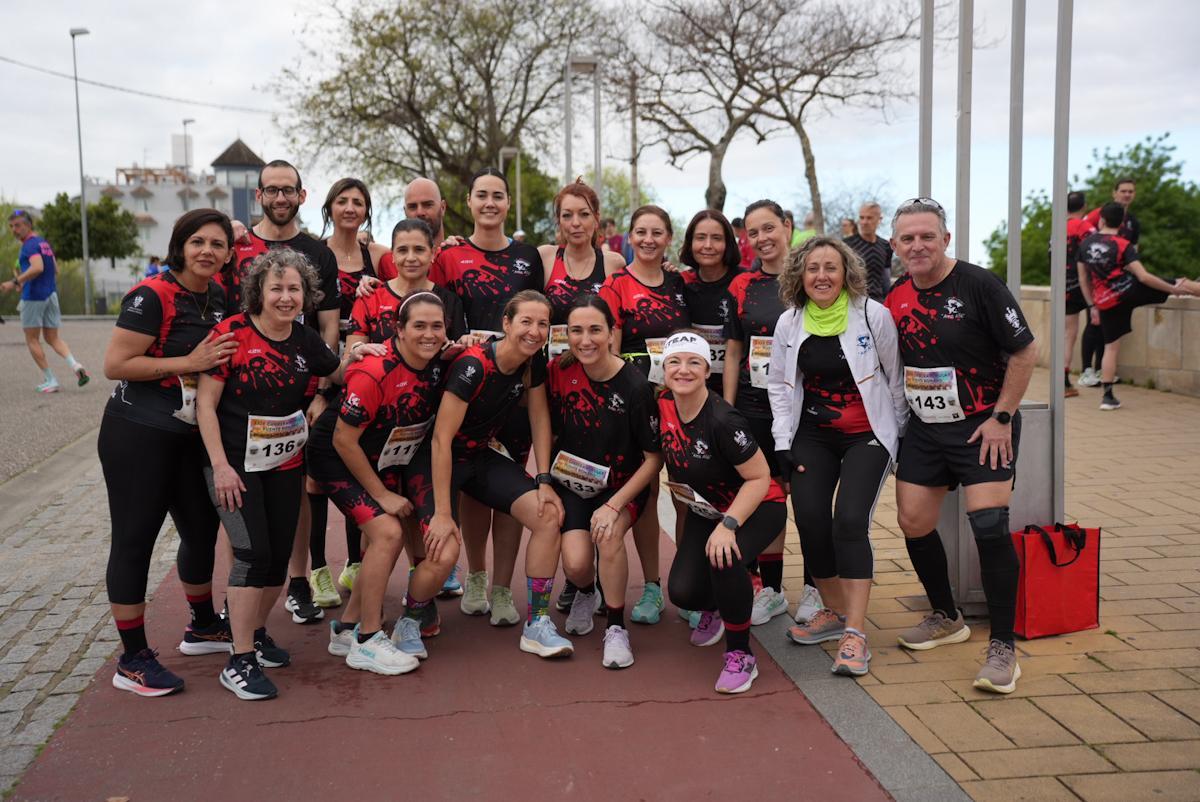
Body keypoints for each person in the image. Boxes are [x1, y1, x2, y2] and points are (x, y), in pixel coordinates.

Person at [885, 197, 1037, 695]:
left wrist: (1002, 417)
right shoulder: (895, 297)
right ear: (896, 245)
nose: (918, 245)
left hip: (982, 426)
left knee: (989, 526)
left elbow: (1024, 349)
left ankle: (1004, 648)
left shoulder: (979, 284)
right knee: (912, 520)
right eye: (908, 238)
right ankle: (946, 616)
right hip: (927, 429)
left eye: (927, 236)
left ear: (945, 239)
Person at [100, 209, 239, 697]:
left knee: (201, 530)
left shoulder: (218, 296)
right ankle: (132, 658)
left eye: (217, 244)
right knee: (135, 540)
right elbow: (115, 364)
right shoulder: (150, 295)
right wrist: (190, 362)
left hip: (188, 434)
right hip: (137, 433)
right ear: (179, 245)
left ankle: (202, 624)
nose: (207, 251)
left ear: (227, 254)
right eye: (197, 241)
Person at [197, 248, 344, 700]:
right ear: (257, 292)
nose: (285, 297)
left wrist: (371, 352)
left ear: (306, 295)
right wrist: (220, 466)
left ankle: (255, 633)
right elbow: (205, 404)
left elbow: (339, 372)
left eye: (294, 289)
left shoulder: (304, 340)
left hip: (284, 462)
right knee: (250, 553)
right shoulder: (232, 334)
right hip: (233, 464)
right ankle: (238, 660)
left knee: (278, 559)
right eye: (276, 288)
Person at [768, 237, 906, 677]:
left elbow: (895, 377)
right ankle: (833, 613)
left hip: (867, 434)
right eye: (813, 269)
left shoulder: (872, 314)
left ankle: (856, 634)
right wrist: (783, 442)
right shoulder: (789, 323)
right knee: (809, 520)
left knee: (848, 521)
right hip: (812, 435)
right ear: (799, 276)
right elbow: (778, 385)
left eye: (831, 267)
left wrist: (896, 436)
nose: (822, 276)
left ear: (847, 273)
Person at [409, 290, 574, 658]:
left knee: (549, 516)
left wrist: (544, 479)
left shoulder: (533, 361)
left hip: (480, 457)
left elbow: (539, 417)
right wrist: (442, 514)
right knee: (443, 551)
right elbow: (440, 440)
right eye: (526, 322)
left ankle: (538, 623)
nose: (534, 331)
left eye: (542, 324)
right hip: (439, 460)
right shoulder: (474, 365)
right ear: (506, 324)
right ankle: (410, 617)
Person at [220, 159, 342, 627]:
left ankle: (297, 581)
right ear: (259, 195)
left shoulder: (318, 252)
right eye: (271, 190)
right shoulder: (238, 245)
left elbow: (328, 326)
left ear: (301, 195)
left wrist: (319, 388)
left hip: (298, 389)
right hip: (240, 388)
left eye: (288, 189)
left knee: (294, 492)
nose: (280, 197)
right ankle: (240, 594)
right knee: (239, 500)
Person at [308, 291, 456, 672]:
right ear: (399, 330)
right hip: (336, 456)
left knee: (386, 539)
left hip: (383, 454)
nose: (429, 334)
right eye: (419, 326)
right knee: (388, 532)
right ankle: (368, 639)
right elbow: (343, 439)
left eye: (436, 326)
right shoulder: (375, 369)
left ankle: (345, 628)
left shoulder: (439, 359)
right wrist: (382, 494)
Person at [431, 168, 545, 626]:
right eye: (482, 196)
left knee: (512, 486)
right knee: (475, 494)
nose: (491, 203)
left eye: (499, 196)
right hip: (469, 385)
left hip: (514, 389)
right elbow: (432, 308)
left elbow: (537, 313)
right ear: (470, 201)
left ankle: (502, 588)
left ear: (507, 203)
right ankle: (475, 576)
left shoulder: (526, 256)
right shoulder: (451, 255)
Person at [659, 331, 787, 694]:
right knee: (683, 593)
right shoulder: (664, 405)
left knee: (725, 560)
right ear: (664, 369)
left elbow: (761, 477)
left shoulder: (724, 421)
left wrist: (730, 524)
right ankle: (719, 606)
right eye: (675, 362)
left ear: (707, 370)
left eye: (693, 362)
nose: (683, 370)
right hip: (710, 510)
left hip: (758, 506)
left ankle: (740, 655)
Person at [547, 296, 661, 668]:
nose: (585, 340)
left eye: (595, 330)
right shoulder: (560, 370)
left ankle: (616, 628)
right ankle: (585, 590)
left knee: (608, 535)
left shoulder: (635, 386)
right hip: (574, 483)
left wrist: (614, 505)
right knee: (577, 564)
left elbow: (654, 459)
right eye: (576, 331)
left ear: (612, 332)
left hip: (623, 486)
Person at [304, 178, 393, 609]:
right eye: (343, 201)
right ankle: (318, 569)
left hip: (364, 372)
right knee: (315, 478)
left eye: (359, 202)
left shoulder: (377, 257)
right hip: (319, 370)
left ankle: (355, 563)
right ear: (329, 207)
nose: (350, 208)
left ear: (368, 210)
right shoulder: (315, 254)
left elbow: (409, 287)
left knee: (361, 463)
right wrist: (320, 388)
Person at [599, 205, 690, 625]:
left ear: (669, 237)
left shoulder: (679, 282)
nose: (649, 239)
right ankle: (652, 586)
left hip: (680, 400)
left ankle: (693, 586)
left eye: (657, 232)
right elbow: (609, 348)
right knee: (647, 493)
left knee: (688, 492)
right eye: (641, 232)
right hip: (634, 402)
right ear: (629, 239)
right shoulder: (616, 284)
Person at [722, 200, 802, 627]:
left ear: (787, 226)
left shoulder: (811, 275)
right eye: (753, 233)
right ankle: (770, 589)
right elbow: (734, 349)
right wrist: (730, 409)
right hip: (754, 408)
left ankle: (814, 588)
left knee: (806, 499)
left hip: (802, 408)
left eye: (769, 228)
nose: (762, 239)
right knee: (765, 497)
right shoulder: (742, 285)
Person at [1076, 201, 1200, 411]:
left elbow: (1083, 279)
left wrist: (1092, 306)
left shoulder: (1085, 245)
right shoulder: (1123, 244)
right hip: (1129, 290)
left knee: (1111, 347)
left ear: (1102, 219)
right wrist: (1171, 289)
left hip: (1104, 301)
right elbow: (1143, 276)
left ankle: (1107, 398)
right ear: (1122, 222)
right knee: (1179, 282)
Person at [3, 210, 89, 393]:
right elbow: (55, 269)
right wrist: (24, 279)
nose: (14, 230)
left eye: (18, 225)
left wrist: (15, 282)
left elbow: (38, 267)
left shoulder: (29, 246)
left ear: (28, 225)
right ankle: (75, 365)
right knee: (52, 337)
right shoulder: (44, 244)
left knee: (32, 339)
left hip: (33, 297)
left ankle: (51, 380)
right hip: (51, 295)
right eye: (11, 226)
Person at [539, 180, 625, 359]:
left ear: (596, 218)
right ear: (559, 220)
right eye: (567, 215)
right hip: (551, 372)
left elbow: (618, 324)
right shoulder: (545, 257)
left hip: (596, 370)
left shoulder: (613, 263)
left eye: (584, 214)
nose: (575, 223)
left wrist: (664, 268)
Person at [680, 209, 743, 394]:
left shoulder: (745, 281)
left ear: (728, 243)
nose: (708, 245)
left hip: (741, 389)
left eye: (716, 238)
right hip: (694, 386)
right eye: (700, 238)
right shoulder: (681, 282)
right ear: (690, 243)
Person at [1060, 191, 1096, 398]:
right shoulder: (1085, 227)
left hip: (1063, 284)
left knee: (1068, 333)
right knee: (1097, 325)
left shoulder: (1057, 229)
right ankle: (1094, 371)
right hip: (1085, 285)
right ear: (1083, 207)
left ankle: (1063, 379)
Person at [845, 202, 893, 302]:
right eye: (861, 218)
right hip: (854, 302)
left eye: (869, 218)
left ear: (879, 219)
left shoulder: (886, 246)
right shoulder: (846, 245)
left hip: (878, 302)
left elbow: (886, 279)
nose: (864, 222)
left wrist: (889, 301)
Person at [1085, 177, 1140, 245]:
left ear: (1134, 194)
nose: (1127, 195)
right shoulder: (1099, 213)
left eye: (1130, 192)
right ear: (1114, 193)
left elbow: (1134, 247)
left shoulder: (1133, 221)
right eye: (1123, 191)